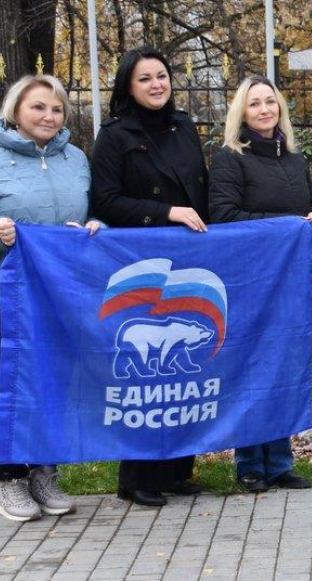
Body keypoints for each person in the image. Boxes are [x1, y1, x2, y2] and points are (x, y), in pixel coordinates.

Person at [0, 75, 100, 522]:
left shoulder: (75, 160)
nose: (48, 116)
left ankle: (44, 473)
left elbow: (90, 216)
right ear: (16, 110)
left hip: (59, 294)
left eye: (56, 109)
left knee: (55, 381)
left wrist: (95, 229)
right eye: (38, 107)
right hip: (4, 293)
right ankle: (10, 478)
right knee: (16, 382)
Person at [90, 46, 209, 507]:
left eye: (162, 75)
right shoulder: (115, 136)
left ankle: (177, 470)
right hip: (140, 262)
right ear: (128, 86)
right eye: (145, 79)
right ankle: (136, 476)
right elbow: (106, 201)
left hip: (189, 259)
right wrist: (167, 212)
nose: (157, 84)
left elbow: (200, 191)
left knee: (183, 373)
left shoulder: (185, 128)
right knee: (145, 380)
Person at [208, 76, 312, 493]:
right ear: (242, 112)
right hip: (248, 280)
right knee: (251, 369)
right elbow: (222, 215)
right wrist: (285, 227)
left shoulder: (292, 158)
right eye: (255, 104)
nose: (264, 110)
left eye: (270, 103)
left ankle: (279, 462)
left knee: (283, 367)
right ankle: (248, 464)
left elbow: (308, 204)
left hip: (289, 281)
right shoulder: (229, 159)